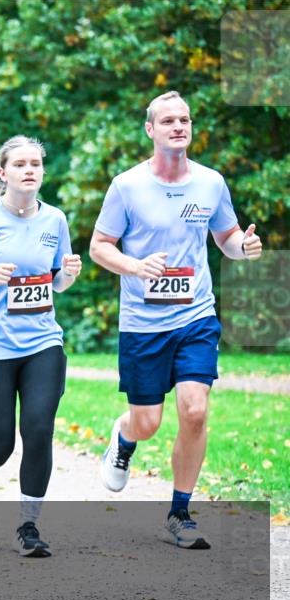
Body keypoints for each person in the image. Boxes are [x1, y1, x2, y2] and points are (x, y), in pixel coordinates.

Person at [89, 90, 263, 549]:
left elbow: (225, 237)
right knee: (147, 422)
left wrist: (241, 249)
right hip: (143, 323)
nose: (178, 126)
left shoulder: (210, 182)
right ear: (151, 130)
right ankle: (125, 439)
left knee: (195, 408)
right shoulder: (126, 185)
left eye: (184, 119)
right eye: (167, 121)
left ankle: (180, 512)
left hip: (195, 315)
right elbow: (100, 246)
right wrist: (134, 266)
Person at [0, 137, 82, 557]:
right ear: (4, 173)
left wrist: (66, 274)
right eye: (21, 164)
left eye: (37, 164)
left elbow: (55, 283)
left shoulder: (56, 220)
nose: (30, 170)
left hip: (43, 341)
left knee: (40, 429)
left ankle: (28, 525)